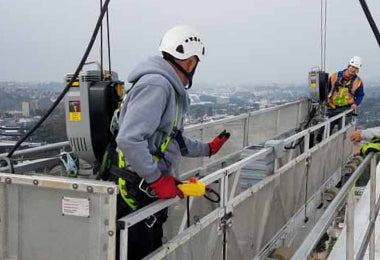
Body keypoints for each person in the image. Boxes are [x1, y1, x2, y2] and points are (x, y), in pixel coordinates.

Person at [113, 25, 230, 259]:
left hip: (147, 189)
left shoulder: (168, 88)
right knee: (137, 251)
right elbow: (129, 139)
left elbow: (172, 139)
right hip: (136, 192)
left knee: (152, 248)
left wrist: (207, 148)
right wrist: (156, 179)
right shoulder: (158, 86)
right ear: (190, 62)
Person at [326, 56, 364, 132]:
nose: (353, 69)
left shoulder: (358, 81)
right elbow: (327, 89)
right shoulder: (334, 76)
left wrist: (355, 104)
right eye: (352, 67)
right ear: (348, 66)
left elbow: (360, 95)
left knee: (342, 132)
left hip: (346, 110)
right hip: (332, 107)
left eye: (356, 68)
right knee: (324, 131)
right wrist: (326, 99)